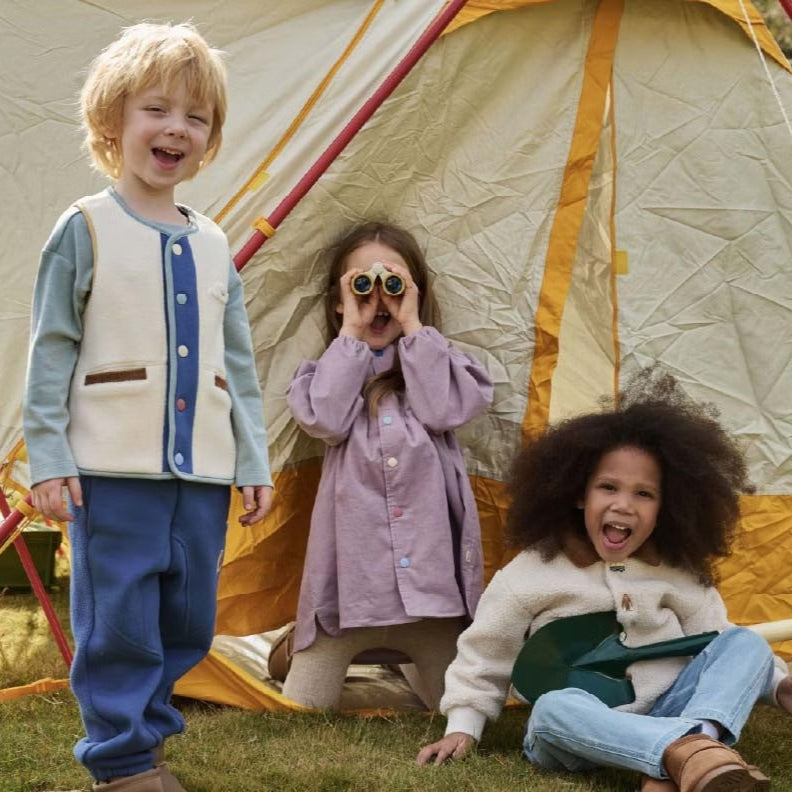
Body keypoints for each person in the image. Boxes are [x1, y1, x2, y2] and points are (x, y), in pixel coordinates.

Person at [23, 22, 273, 792]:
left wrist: (253, 458)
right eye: (156, 110)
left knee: (188, 620)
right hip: (112, 467)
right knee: (119, 622)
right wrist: (51, 457)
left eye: (195, 118)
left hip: (200, 473)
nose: (177, 129)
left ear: (210, 139)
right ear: (111, 124)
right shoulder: (85, 227)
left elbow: (238, 363)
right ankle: (124, 760)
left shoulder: (213, 242)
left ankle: (147, 732)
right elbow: (51, 349)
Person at [417, 369, 792, 792]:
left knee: (744, 642)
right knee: (553, 707)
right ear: (579, 495)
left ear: (668, 506)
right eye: (608, 487)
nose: (624, 505)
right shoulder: (532, 572)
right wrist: (463, 725)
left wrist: (777, 684)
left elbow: (716, 642)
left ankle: (691, 753)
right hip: (579, 732)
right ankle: (689, 751)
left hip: (669, 708)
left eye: (643, 494)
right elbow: (483, 656)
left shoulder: (678, 572)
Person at [280, 221, 493, 711]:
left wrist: (414, 326)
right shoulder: (327, 374)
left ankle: (402, 660)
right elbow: (327, 419)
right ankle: (293, 648)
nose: (378, 299)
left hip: (432, 599)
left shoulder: (439, 367)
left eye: (391, 283)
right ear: (339, 299)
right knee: (302, 707)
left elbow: (442, 410)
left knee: (457, 705)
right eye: (361, 285)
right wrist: (353, 333)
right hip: (348, 597)